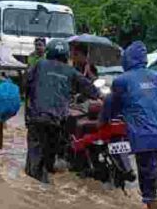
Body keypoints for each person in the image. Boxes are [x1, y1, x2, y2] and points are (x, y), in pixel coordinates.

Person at [100, 41, 157, 209]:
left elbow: (111, 104)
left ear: (126, 59)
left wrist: (102, 121)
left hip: (144, 135)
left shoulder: (121, 80)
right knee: (154, 171)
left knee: (147, 180)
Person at [25, 39, 100, 184]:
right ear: (66, 54)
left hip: (37, 119)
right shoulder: (70, 71)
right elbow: (90, 89)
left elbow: (26, 84)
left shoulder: (39, 65)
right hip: (56, 122)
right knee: (49, 161)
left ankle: (34, 190)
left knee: (34, 162)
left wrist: (29, 109)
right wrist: (101, 96)